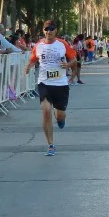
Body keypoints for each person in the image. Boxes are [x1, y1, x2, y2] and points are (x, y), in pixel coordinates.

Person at [27, 21, 76, 156]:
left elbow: (74, 59)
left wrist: (68, 64)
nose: (49, 31)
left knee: (59, 115)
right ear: (43, 31)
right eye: (46, 29)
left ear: (56, 31)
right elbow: (33, 59)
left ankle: (60, 118)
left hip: (60, 84)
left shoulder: (62, 44)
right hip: (44, 83)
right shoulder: (38, 45)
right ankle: (50, 145)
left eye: (51, 29)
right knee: (46, 110)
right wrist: (28, 66)